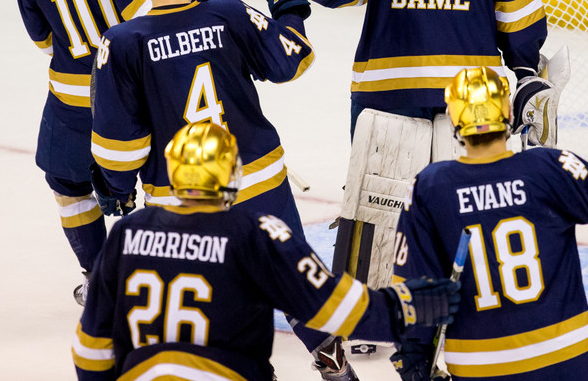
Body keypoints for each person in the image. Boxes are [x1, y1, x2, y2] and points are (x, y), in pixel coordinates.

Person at [281, 0, 557, 339]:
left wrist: (524, 69)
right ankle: (362, 319)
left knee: (470, 209)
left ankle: (472, 315)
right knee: (372, 206)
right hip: (388, 87)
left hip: (469, 95)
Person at [88, 0, 360, 378]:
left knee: (216, 288)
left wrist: (116, 188)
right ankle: (332, 360)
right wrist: (290, 7)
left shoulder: (122, 42)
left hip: (184, 191)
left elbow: (120, 149)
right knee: (290, 275)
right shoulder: (227, 12)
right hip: (257, 176)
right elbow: (291, 59)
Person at [13, 0, 233, 305]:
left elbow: (42, 41)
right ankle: (176, 282)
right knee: (163, 187)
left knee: (68, 184)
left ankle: (100, 278)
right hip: (138, 87)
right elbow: (154, 4)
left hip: (71, 99)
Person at [73, 122, 460, 381]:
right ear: (231, 173)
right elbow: (332, 306)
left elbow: (90, 350)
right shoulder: (255, 233)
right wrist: (402, 307)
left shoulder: (126, 234)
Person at [389, 64, 588, 380]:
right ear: (509, 113)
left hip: (482, 369)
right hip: (571, 361)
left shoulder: (429, 188)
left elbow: (412, 293)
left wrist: (415, 360)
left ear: (455, 120)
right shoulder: (550, 167)